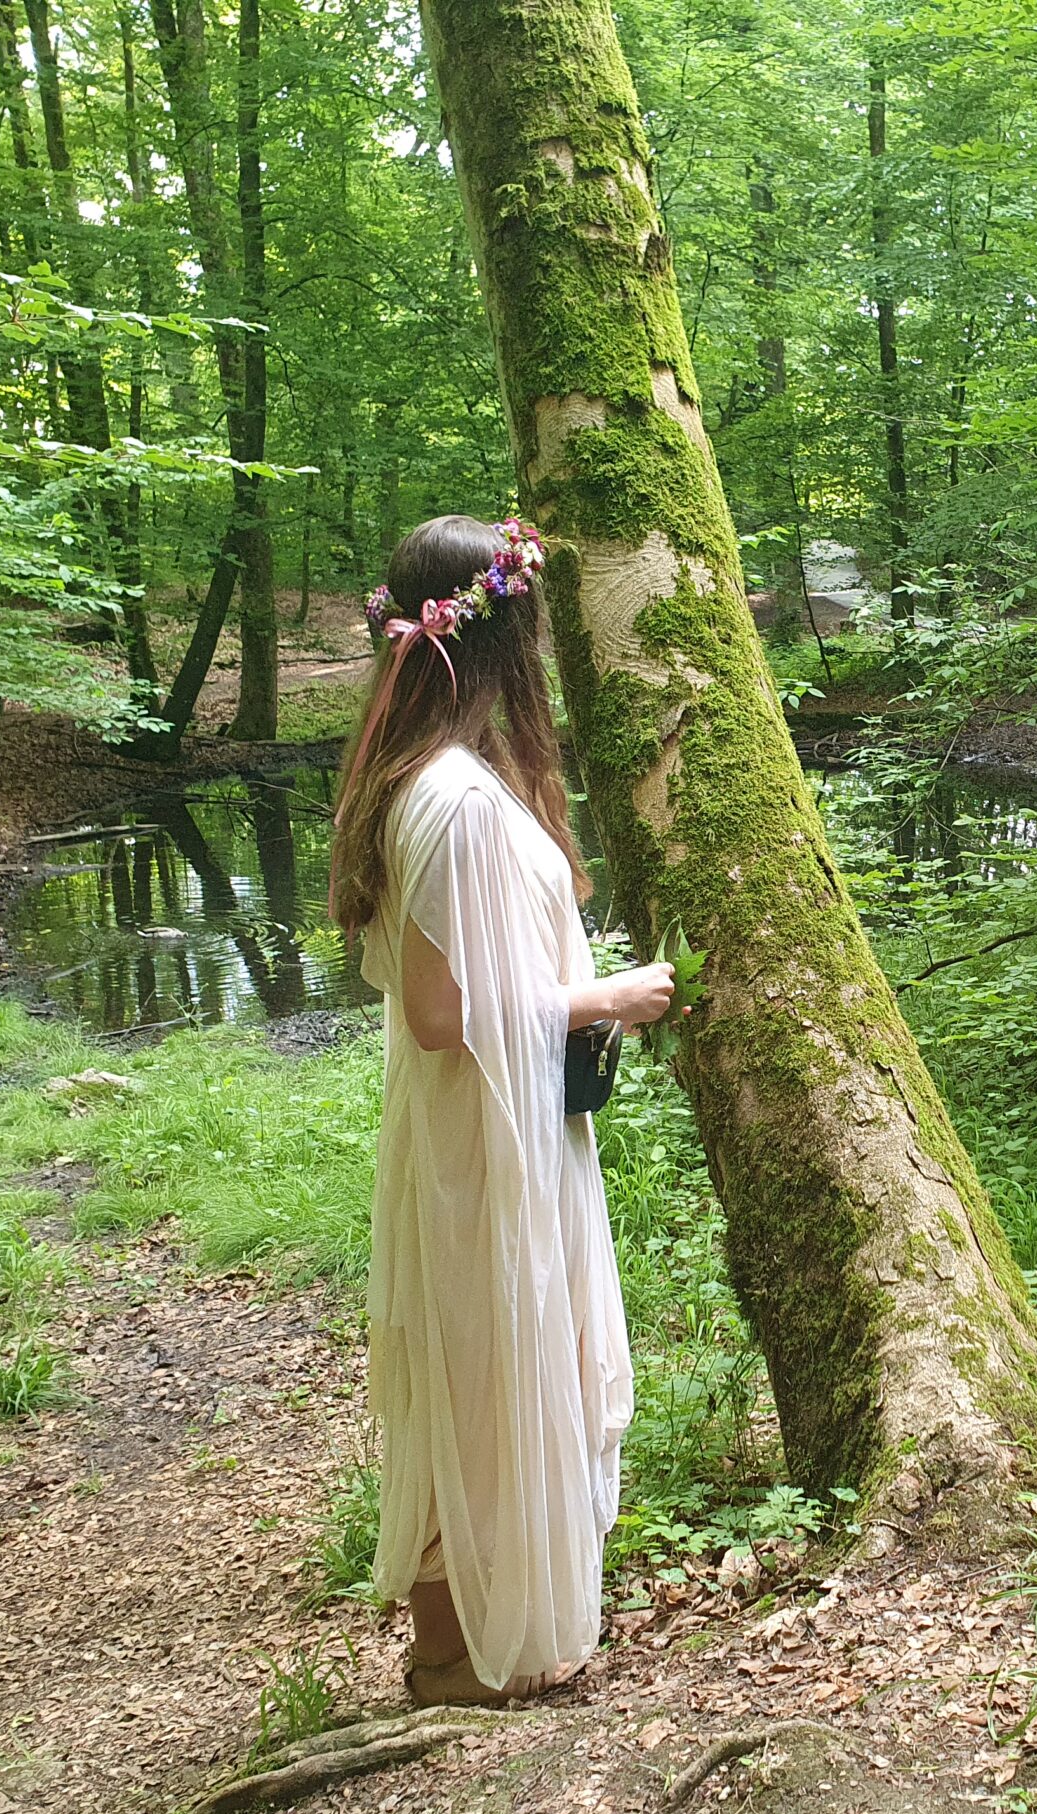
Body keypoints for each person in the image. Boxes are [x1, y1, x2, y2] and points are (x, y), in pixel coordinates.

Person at [329, 514, 675, 1704]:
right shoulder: (455, 800)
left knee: (483, 1369)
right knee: (484, 1372)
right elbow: (440, 1013)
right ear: (497, 634)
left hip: (492, 1128)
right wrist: (608, 997)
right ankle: (454, 1659)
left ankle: (469, 1646)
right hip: (483, 1142)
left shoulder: (431, 779)